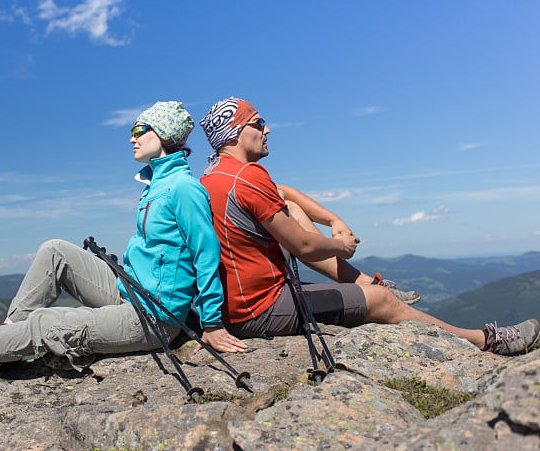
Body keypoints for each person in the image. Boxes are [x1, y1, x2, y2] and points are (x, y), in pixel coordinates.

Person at [0, 101, 247, 378]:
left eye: (140, 129)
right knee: (55, 250)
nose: (131, 137)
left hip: (155, 316)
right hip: (131, 291)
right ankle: (8, 341)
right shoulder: (157, 184)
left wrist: (212, 325)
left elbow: (206, 257)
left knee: (49, 323)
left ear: (164, 136)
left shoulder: (183, 189)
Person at [198, 97, 540, 356]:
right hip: (259, 308)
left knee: (290, 210)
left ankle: (363, 281)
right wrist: (340, 245)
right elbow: (302, 247)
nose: (267, 129)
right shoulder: (249, 176)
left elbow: (283, 194)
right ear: (237, 132)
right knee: (381, 302)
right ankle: (486, 340)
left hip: (238, 303)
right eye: (258, 123)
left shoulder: (215, 176)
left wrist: (333, 220)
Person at [275, 184, 421, 304]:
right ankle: (367, 284)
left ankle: (366, 282)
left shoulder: (255, 178)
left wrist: (334, 221)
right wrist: (340, 245)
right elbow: (305, 247)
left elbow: (282, 190)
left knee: (289, 206)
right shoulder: (253, 178)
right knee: (288, 210)